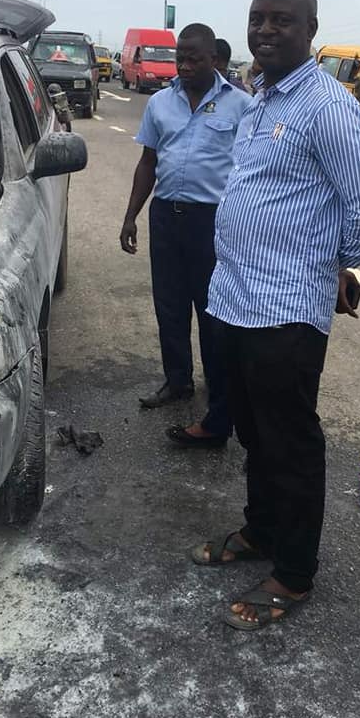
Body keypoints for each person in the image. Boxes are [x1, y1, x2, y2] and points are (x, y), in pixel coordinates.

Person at [192, 0, 360, 628]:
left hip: (284, 311)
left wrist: (329, 268)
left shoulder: (326, 106)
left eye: (281, 20)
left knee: (290, 442)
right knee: (253, 432)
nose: (265, 30)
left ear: (310, 29)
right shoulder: (260, 97)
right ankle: (261, 531)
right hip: (233, 298)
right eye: (258, 18)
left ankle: (295, 573)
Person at [120, 23, 251, 448]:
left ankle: (217, 389)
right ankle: (177, 381)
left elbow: (252, 170)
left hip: (212, 222)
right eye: (181, 58)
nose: (185, 66)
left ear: (214, 60)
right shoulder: (160, 102)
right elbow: (148, 161)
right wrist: (131, 216)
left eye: (194, 59)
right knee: (170, 305)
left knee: (213, 311)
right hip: (166, 217)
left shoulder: (242, 106)